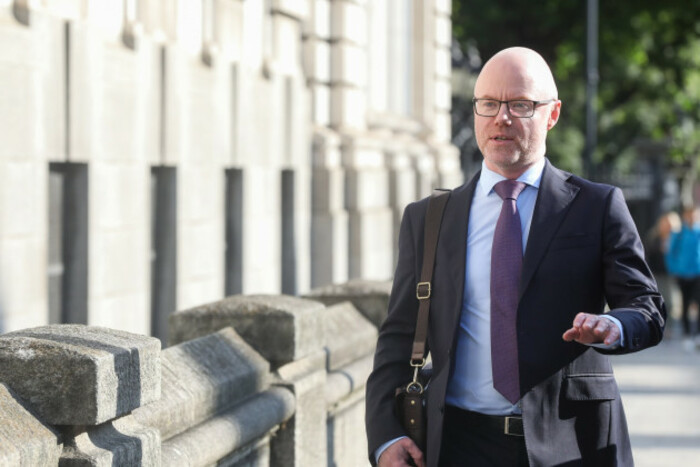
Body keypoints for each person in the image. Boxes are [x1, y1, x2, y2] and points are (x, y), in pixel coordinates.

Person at [365, 47, 665, 467]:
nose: (500, 118)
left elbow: (647, 308)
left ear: (552, 114)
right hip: (457, 445)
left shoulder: (597, 206)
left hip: (573, 443)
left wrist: (612, 324)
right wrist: (385, 435)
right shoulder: (429, 219)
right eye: (488, 104)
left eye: (520, 105)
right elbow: (397, 336)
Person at [665, 204, 700, 348]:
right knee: (685, 304)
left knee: (698, 304)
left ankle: (697, 334)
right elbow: (670, 254)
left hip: (698, 273)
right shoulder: (678, 233)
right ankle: (687, 334)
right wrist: (674, 269)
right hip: (683, 274)